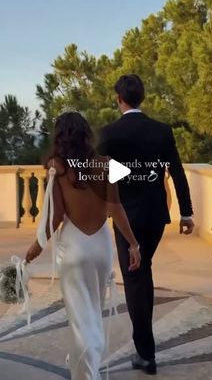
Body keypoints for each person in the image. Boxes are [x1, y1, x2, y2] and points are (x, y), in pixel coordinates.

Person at [25, 111, 141, 380]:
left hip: (74, 248)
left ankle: (86, 375)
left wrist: (37, 246)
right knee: (93, 313)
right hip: (101, 247)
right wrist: (133, 244)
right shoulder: (107, 164)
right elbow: (115, 208)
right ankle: (88, 369)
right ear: (87, 135)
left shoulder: (57, 167)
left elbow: (54, 217)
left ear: (60, 137)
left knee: (80, 319)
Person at [97, 74, 194, 375]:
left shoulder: (109, 133)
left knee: (135, 279)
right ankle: (145, 348)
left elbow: (101, 179)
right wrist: (187, 213)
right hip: (154, 216)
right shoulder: (162, 131)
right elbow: (177, 173)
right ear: (142, 98)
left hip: (126, 218)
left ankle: (146, 354)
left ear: (119, 99)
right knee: (143, 270)